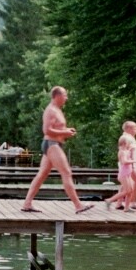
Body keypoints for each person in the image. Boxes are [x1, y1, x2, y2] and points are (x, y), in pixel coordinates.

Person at [22, 86, 93, 214]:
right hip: (52, 144)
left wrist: (66, 131)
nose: (66, 98)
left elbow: (57, 128)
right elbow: (46, 130)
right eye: (65, 95)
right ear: (57, 96)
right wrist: (65, 132)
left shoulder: (57, 110)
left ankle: (27, 204)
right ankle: (78, 205)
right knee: (66, 172)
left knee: (42, 174)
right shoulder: (50, 110)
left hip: (54, 144)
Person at [113, 121, 136, 210]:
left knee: (127, 183)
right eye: (134, 128)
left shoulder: (130, 138)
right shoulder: (126, 138)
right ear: (128, 129)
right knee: (135, 181)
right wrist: (132, 164)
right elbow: (126, 151)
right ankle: (131, 202)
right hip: (129, 165)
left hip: (131, 164)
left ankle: (120, 203)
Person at [103, 134, 136, 212]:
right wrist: (134, 161)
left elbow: (129, 154)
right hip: (123, 174)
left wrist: (131, 150)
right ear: (124, 143)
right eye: (129, 142)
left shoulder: (126, 151)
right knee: (127, 191)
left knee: (131, 190)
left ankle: (127, 207)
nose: (130, 144)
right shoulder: (121, 152)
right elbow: (124, 161)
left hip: (128, 173)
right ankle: (109, 200)